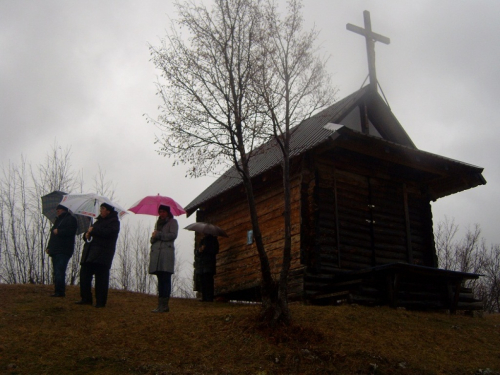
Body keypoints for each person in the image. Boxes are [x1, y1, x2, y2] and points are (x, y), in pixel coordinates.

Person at [76, 203, 120, 308]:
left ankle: (100, 302)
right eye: (100, 208)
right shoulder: (97, 222)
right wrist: (87, 235)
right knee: (84, 276)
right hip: (90, 254)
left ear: (108, 211)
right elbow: (90, 234)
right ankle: (86, 298)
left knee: (101, 280)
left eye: (103, 209)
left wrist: (93, 231)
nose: (101, 210)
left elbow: (108, 233)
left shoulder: (114, 222)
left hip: (103, 255)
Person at [149, 205, 178, 313]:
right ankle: (160, 304)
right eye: (160, 211)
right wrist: (153, 237)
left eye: (163, 212)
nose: (161, 214)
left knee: (166, 279)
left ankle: (165, 305)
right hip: (157, 255)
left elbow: (173, 235)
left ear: (167, 212)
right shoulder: (158, 224)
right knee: (160, 279)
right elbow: (153, 240)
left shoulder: (173, 222)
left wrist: (159, 234)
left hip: (166, 254)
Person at [45, 204, 78, 297]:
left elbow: (71, 232)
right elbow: (53, 235)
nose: (57, 211)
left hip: (64, 249)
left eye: (59, 210)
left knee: (60, 270)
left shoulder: (71, 219)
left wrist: (59, 231)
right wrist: (49, 246)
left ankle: (60, 292)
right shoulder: (57, 220)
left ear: (64, 210)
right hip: (55, 249)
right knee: (56, 271)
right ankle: (57, 290)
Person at [195, 233, 219, 302]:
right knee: (202, 282)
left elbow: (215, 250)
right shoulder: (202, 240)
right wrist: (200, 250)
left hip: (209, 264)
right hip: (201, 264)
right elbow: (197, 253)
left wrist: (206, 249)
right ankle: (204, 297)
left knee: (208, 281)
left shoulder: (213, 240)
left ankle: (209, 298)